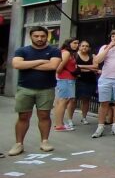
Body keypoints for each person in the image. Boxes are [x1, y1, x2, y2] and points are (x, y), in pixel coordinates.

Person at [8, 26, 62, 156]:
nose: (39, 38)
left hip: (46, 89)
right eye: (36, 36)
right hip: (25, 88)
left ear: (47, 37)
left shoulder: (54, 51)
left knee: (44, 116)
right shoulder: (22, 50)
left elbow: (53, 66)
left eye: (42, 36)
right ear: (31, 36)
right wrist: (40, 61)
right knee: (23, 116)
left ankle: (45, 141)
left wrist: (28, 65)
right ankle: (19, 144)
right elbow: (16, 64)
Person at [53, 38, 80, 132]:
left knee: (62, 101)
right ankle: (59, 125)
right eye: (74, 43)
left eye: (77, 43)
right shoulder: (66, 53)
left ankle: (59, 123)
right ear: (68, 43)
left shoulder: (68, 53)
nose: (76, 45)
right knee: (63, 101)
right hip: (65, 79)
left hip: (67, 79)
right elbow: (59, 68)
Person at [74, 40, 98, 125]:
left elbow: (96, 66)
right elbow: (74, 68)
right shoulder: (75, 55)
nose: (85, 47)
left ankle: (84, 118)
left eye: (87, 46)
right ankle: (70, 119)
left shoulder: (92, 56)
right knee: (73, 100)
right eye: (83, 46)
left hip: (90, 80)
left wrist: (80, 66)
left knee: (86, 100)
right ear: (79, 47)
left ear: (89, 48)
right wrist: (90, 69)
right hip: (78, 80)